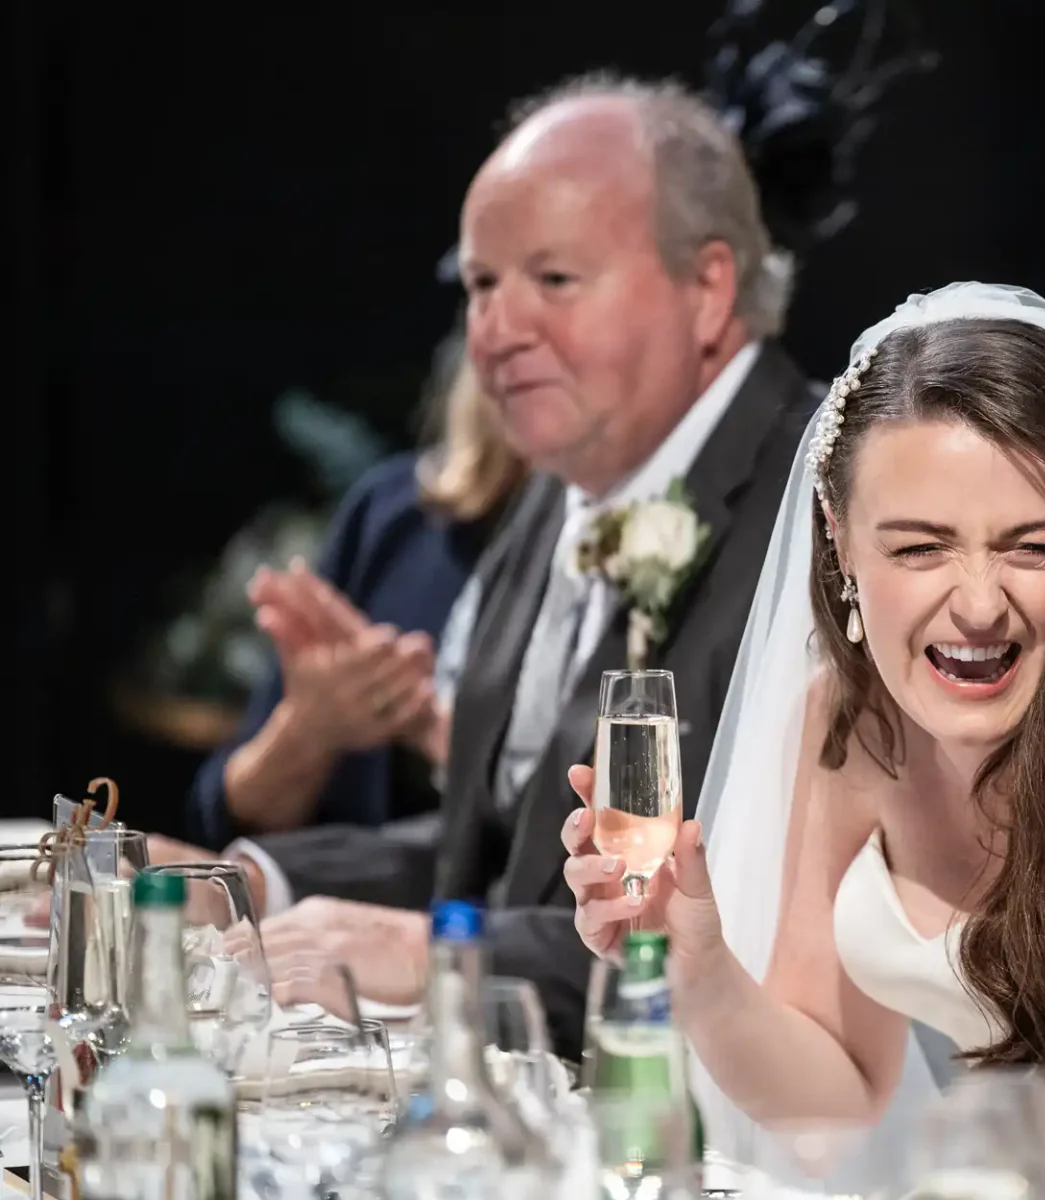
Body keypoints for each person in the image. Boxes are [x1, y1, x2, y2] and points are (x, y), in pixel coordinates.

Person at [561, 284, 1045, 1200]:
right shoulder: (845, 721)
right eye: (920, 547)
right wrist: (695, 959)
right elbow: (834, 1099)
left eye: (1032, 548)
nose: (976, 604)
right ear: (837, 535)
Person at [156, 75, 817, 1055]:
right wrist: (259, 882)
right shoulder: (561, 486)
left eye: (553, 279)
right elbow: (507, 856)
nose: (498, 333)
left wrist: (437, 952)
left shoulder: (822, 505)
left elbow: (746, 929)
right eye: (480, 285)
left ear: (708, 287)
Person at [183, 338, 523, 850]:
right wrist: (307, 733)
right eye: (485, 285)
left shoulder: (643, 538)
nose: (512, 323)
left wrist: (442, 738)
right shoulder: (392, 513)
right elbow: (225, 819)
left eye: (557, 280)